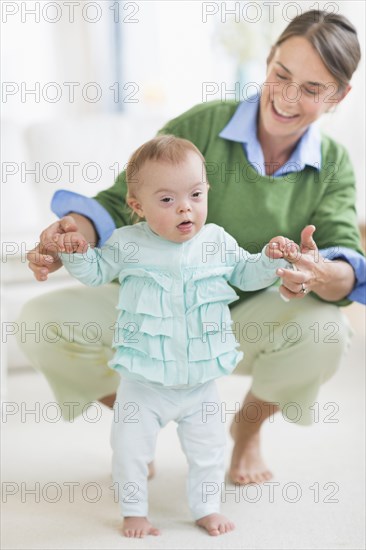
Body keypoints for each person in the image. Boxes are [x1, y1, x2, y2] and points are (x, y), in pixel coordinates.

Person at [19, 9, 365, 492]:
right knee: (39, 323)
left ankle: (246, 429)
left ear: (340, 96)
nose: (286, 98)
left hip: (241, 322)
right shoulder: (202, 125)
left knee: (327, 334)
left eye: (311, 89)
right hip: (149, 307)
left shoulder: (334, 164)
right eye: (281, 76)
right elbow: (124, 201)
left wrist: (323, 272)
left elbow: (343, 252)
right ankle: (140, 416)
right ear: (267, 62)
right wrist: (69, 235)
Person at [54, 135, 297, 537]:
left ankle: (205, 506)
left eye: (195, 194)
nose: (186, 207)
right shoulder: (128, 244)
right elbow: (95, 272)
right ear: (137, 206)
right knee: (130, 449)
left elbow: (245, 274)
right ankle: (134, 511)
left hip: (199, 383)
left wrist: (270, 259)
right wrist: (76, 252)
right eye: (166, 200)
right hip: (142, 382)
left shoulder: (217, 241)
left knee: (210, 450)